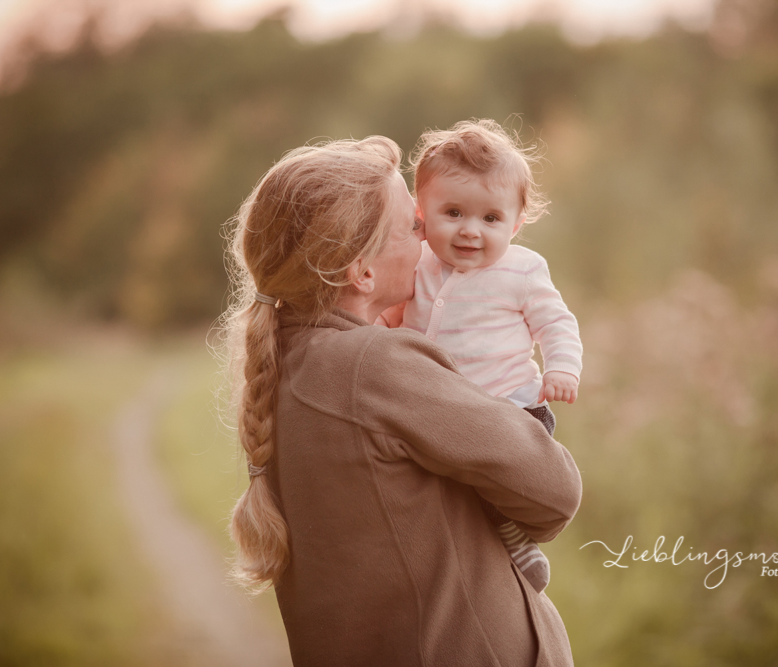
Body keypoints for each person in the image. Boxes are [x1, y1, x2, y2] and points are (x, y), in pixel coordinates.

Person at [222, 135, 583, 666]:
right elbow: (555, 491)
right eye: (415, 226)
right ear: (362, 272)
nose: (431, 240)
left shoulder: (287, 363)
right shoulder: (373, 365)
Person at [378, 119, 583, 594]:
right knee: (438, 484)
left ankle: (514, 538)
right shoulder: (419, 263)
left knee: (495, 483)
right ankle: (453, 560)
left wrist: (562, 367)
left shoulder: (523, 270)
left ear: (516, 223)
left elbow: (556, 322)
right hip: (440, 407)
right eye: (453, 212)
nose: (471, 231)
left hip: (510, 406)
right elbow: (393, 315)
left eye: (490, 219)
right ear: (420, 212)